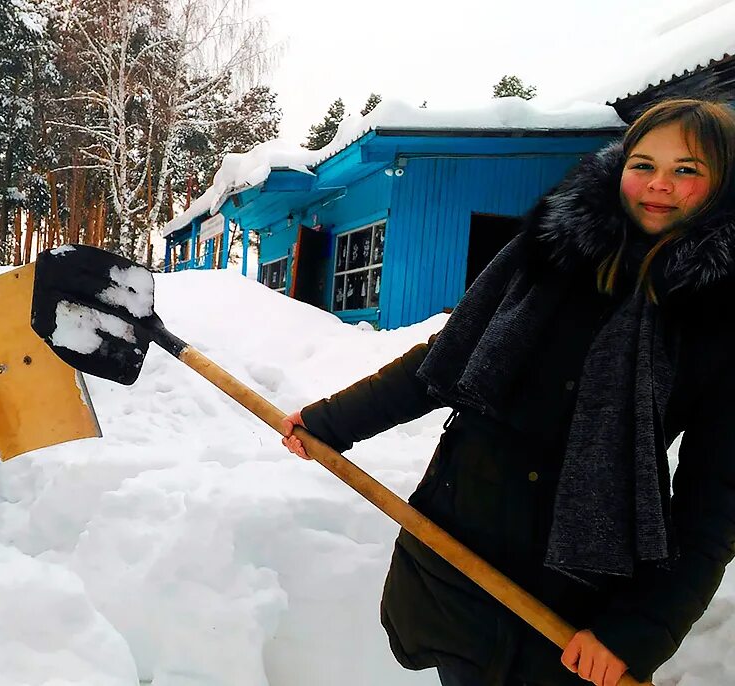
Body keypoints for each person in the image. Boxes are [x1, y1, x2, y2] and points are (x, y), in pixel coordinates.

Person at [280, 99, 735, 686]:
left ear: (724, 184)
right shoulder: (554, 248)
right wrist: (331, 422)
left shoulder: (720, 318)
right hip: (462, 541)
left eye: (688, 170)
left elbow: (713, 503)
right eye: (642, 163)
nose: (659, 185)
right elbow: (443, 359)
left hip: (578, 593)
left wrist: (641, 629)